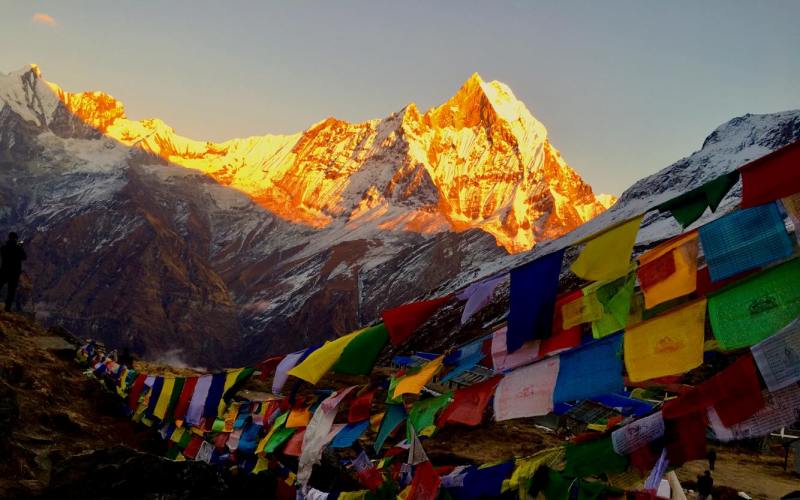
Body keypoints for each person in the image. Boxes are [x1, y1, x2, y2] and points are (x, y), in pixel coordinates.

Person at [0, 232, 26, 312]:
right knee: (11, 292)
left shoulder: (4, 248)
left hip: (4, 271)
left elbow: (2, 255)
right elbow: (24, 257)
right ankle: (7, 308)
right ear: (15, 239)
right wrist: (20, 247)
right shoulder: (18, 248)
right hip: (14, 273)